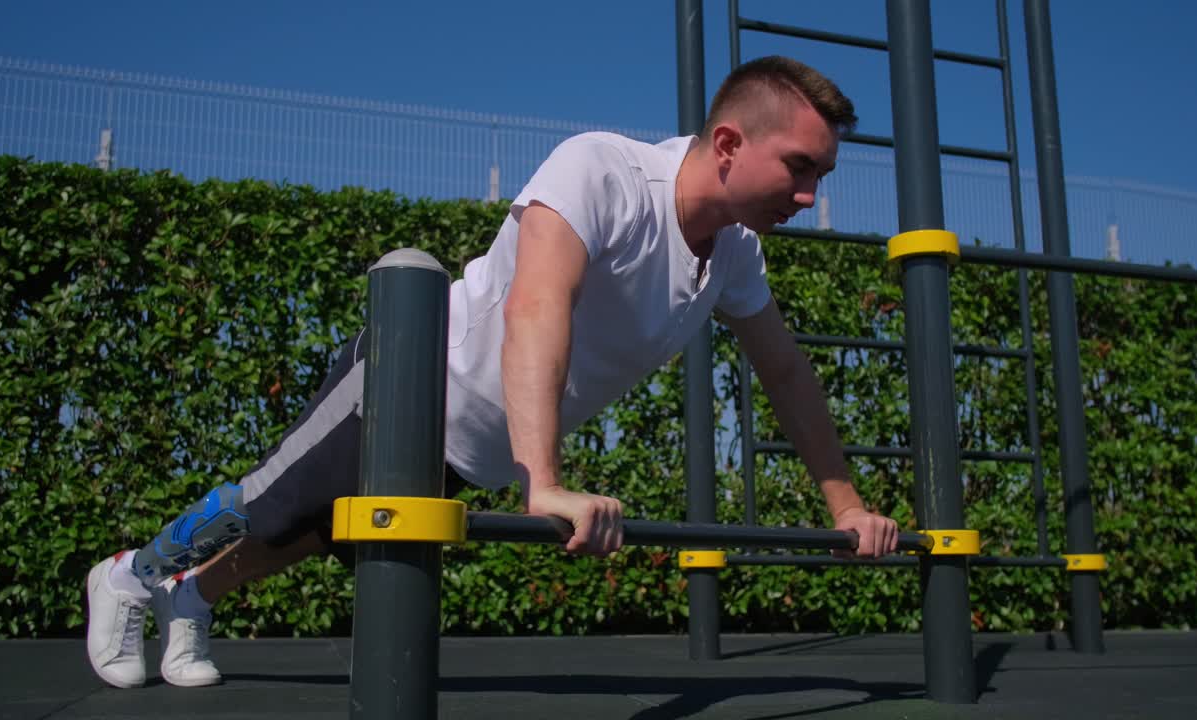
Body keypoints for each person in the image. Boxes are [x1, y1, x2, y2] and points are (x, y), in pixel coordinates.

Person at [84, 55, 900, 689]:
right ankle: (129, 576)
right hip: (412, 382)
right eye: (800, 168)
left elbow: (786, 373)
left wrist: (848, 505)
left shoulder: (735, 255)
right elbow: (536, 306)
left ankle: (189, 600)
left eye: (819, 176)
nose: (808, 195)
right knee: (270, 502)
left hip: (471, 443)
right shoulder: (605, 172)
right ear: (728, 144)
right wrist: (541, 480)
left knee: (313, 533)